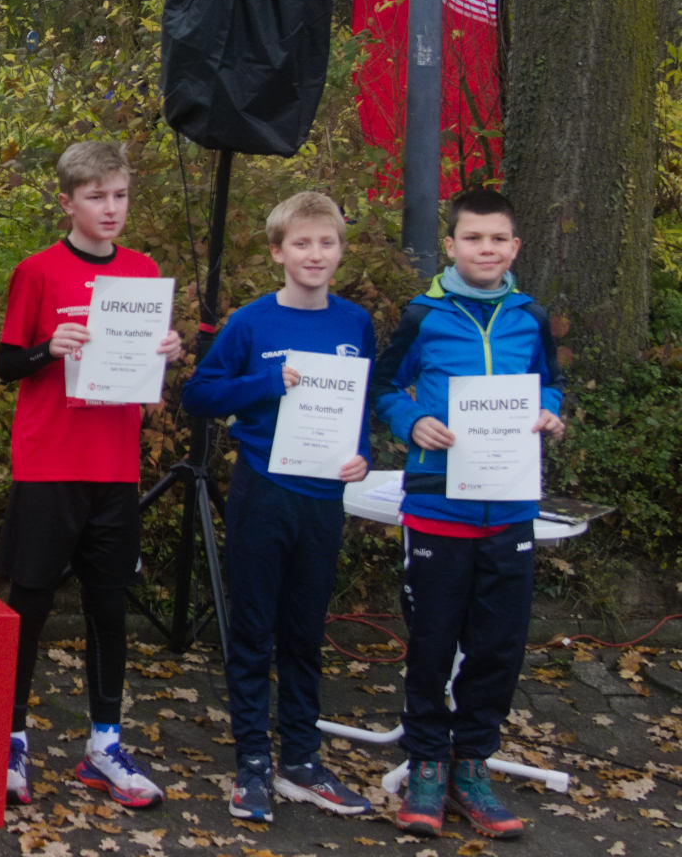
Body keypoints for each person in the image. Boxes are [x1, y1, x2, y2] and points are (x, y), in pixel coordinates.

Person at [370, 187, 566, 840]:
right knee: (432, 645)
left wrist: (549, 413)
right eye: (473, 238)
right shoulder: (423, 314)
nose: (486, 249)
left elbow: (549, 383)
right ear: (451, 245)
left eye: (498, 239)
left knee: (497, 648)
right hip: (437, 507)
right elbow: (383, 385)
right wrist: (413, 419)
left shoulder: (529, 316)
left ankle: (472, 768)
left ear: (515, 247)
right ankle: (427, 763)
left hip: (510, 507)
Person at [0, 140, 181, 809]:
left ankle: (104, 744)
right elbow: (7, 364)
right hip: (49, 463)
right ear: (68, 201)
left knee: (108, 607)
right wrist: (50, 348)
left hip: (114, 468)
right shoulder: (38, 271)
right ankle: (10, 739)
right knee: (33, 601)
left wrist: (167, 349)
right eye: (97, 196)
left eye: (120, 195)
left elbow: (146, 367)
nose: (111, 208)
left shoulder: (143, 270)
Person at [179, 191, 376, 822]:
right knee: (253, 630)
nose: (315, 254)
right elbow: (199, 394)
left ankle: (301, 761)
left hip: (324, 497)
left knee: (304, 632)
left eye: (327, 243)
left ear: (340, 250)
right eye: (302, 243)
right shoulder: (251, 323)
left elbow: (361, 410)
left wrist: (363, 457)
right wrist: (267, 382)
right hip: (263, 492)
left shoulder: (355, 324)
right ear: (277, 252)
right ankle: (252, 765)